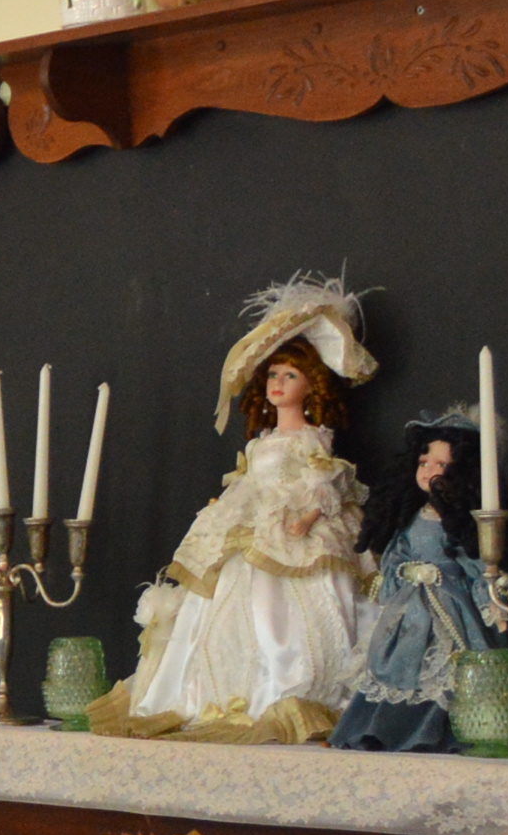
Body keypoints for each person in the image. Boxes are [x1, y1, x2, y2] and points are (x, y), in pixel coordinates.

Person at [92, 277, 376, 744]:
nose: (278, 384)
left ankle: (293, 693)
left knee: (284, 607)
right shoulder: (262, 441)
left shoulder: (310, 438)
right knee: (222, 604)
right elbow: (250, 480)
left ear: (313, 384)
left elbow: (324, 481)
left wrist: (306, 517)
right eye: (273, 375)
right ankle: (217, 692)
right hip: (249, 524)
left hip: (292, 531)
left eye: (290, 376)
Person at [330, 407, 503, 752]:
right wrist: (403, 573)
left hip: (450, 604)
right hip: (410, 606)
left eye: (441, 464)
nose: (428, 471)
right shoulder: (412, 517)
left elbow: (477, 567)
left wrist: (492, 605)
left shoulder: (462, 522)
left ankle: (436, 732)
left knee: (447, 667)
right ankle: (385, 729)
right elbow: (396, 556)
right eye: (424, 463)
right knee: (398, 660)